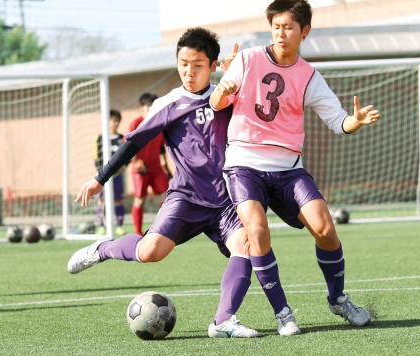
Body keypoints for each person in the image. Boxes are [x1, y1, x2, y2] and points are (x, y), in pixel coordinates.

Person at [68, 27, 299, 337]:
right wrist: (100, 179)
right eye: (183, 63)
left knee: (244, 245)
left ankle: (223, 321)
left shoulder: (229, 97)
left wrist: (241, 75)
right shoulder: (168, 104)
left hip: (229, 199)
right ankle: (103, 249)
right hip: (186, 198)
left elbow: (264, 107)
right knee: (150, 252)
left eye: (198, 65)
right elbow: (133, 144)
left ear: (214, 66)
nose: (189, 72)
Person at [209, 0, 379, 329]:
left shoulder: (309, 76)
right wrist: (222, 90)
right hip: (244, 163)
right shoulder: (247, 59)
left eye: (288, 26)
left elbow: (338, 121)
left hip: (288, 169)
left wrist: (355, 121)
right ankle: (283, 313)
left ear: (305, 31)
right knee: (257, 230)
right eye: (275, 26)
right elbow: (217, 103)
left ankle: (338, 300)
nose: (281, 32)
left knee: (325, 229)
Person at [129, 92, 171, 235]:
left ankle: (162, 229)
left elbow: (161, 148)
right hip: (140, 168)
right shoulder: (135, 123)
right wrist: (136, 162)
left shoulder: (160, 123)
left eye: (152, 106)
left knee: (166, 197)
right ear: (141, 108)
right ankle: (138, 233)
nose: (149, 109)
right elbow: (128, 146)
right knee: (140, 200)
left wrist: (166, 166)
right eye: (146, 106)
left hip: (156, 167)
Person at [94, 109, 126, 235]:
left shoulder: (122, 138)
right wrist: (101, 171)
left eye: (118, 121)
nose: (116, 123)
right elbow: (96, 156)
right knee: (101, 200)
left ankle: (119, 225)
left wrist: (124, 166)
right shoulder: (100, 138)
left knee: (118, 199)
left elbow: (127, 154)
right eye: (113, 120)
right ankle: (101, 225)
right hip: (103, 175)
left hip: (118, 175)